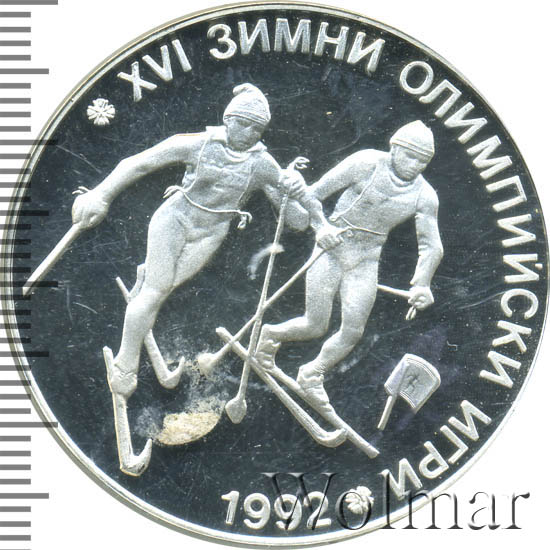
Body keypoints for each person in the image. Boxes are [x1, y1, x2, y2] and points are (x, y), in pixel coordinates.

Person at [71, 83, 336, 473]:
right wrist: (101, 195)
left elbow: (298, 213)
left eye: (257, 129)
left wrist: (314, 215)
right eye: (244, 124)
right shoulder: (197, 143)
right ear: (228, 119)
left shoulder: (262, 164)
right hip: (175, 218)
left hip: (211, 233)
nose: (249, 133)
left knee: (159, 288)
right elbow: (139, 163)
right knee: (155, 293)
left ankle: (145, 282)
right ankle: (124, 371)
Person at [257, 120, 444, 406]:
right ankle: (270, 336)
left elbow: (432, 245)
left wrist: (423, 284)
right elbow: (313, 194)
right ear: (394, 148)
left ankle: (312, 373)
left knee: (353, 331)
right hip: (332, 250)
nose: (415, 165)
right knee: (315, 325)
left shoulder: (425, 195)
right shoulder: (365, 163)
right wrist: (321, 228)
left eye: (423, 161)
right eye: (410, 156)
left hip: (366, 261)